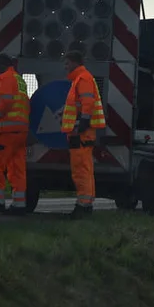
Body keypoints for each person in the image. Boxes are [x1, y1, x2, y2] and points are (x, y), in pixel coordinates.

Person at [0, 53, 30, 215]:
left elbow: (6, 101)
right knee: (17, 168)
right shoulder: (19, 80)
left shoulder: (6, 79)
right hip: (20, 132)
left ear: (1, 65)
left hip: (6, 131)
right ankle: (19, 204)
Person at [60, 50, 106, 219]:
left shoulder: (83, 79)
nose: (65, 66)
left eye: (67, 63)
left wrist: (83, 122)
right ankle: (86, 204)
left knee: (81, 170)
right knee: (84, 169)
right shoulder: (80, 79)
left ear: (74, 62)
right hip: (81, 132)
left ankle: (83, 205)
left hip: (80, 133)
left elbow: (87, 102)